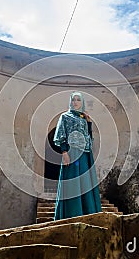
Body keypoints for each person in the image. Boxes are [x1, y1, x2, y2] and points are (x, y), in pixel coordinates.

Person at [53, 91, 102, 220]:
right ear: (70, 101)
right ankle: (72, 214)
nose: (75, 102)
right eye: (73, 99)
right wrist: (64, 153)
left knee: (86, 183)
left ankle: (88, 214)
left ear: (82, 103)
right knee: (72, 183)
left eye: (78, 100)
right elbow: (61, 135)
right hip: (72, 152)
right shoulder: (65, 116)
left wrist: (89, 122)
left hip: (85, 155)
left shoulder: (84, 118)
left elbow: (89, 139)